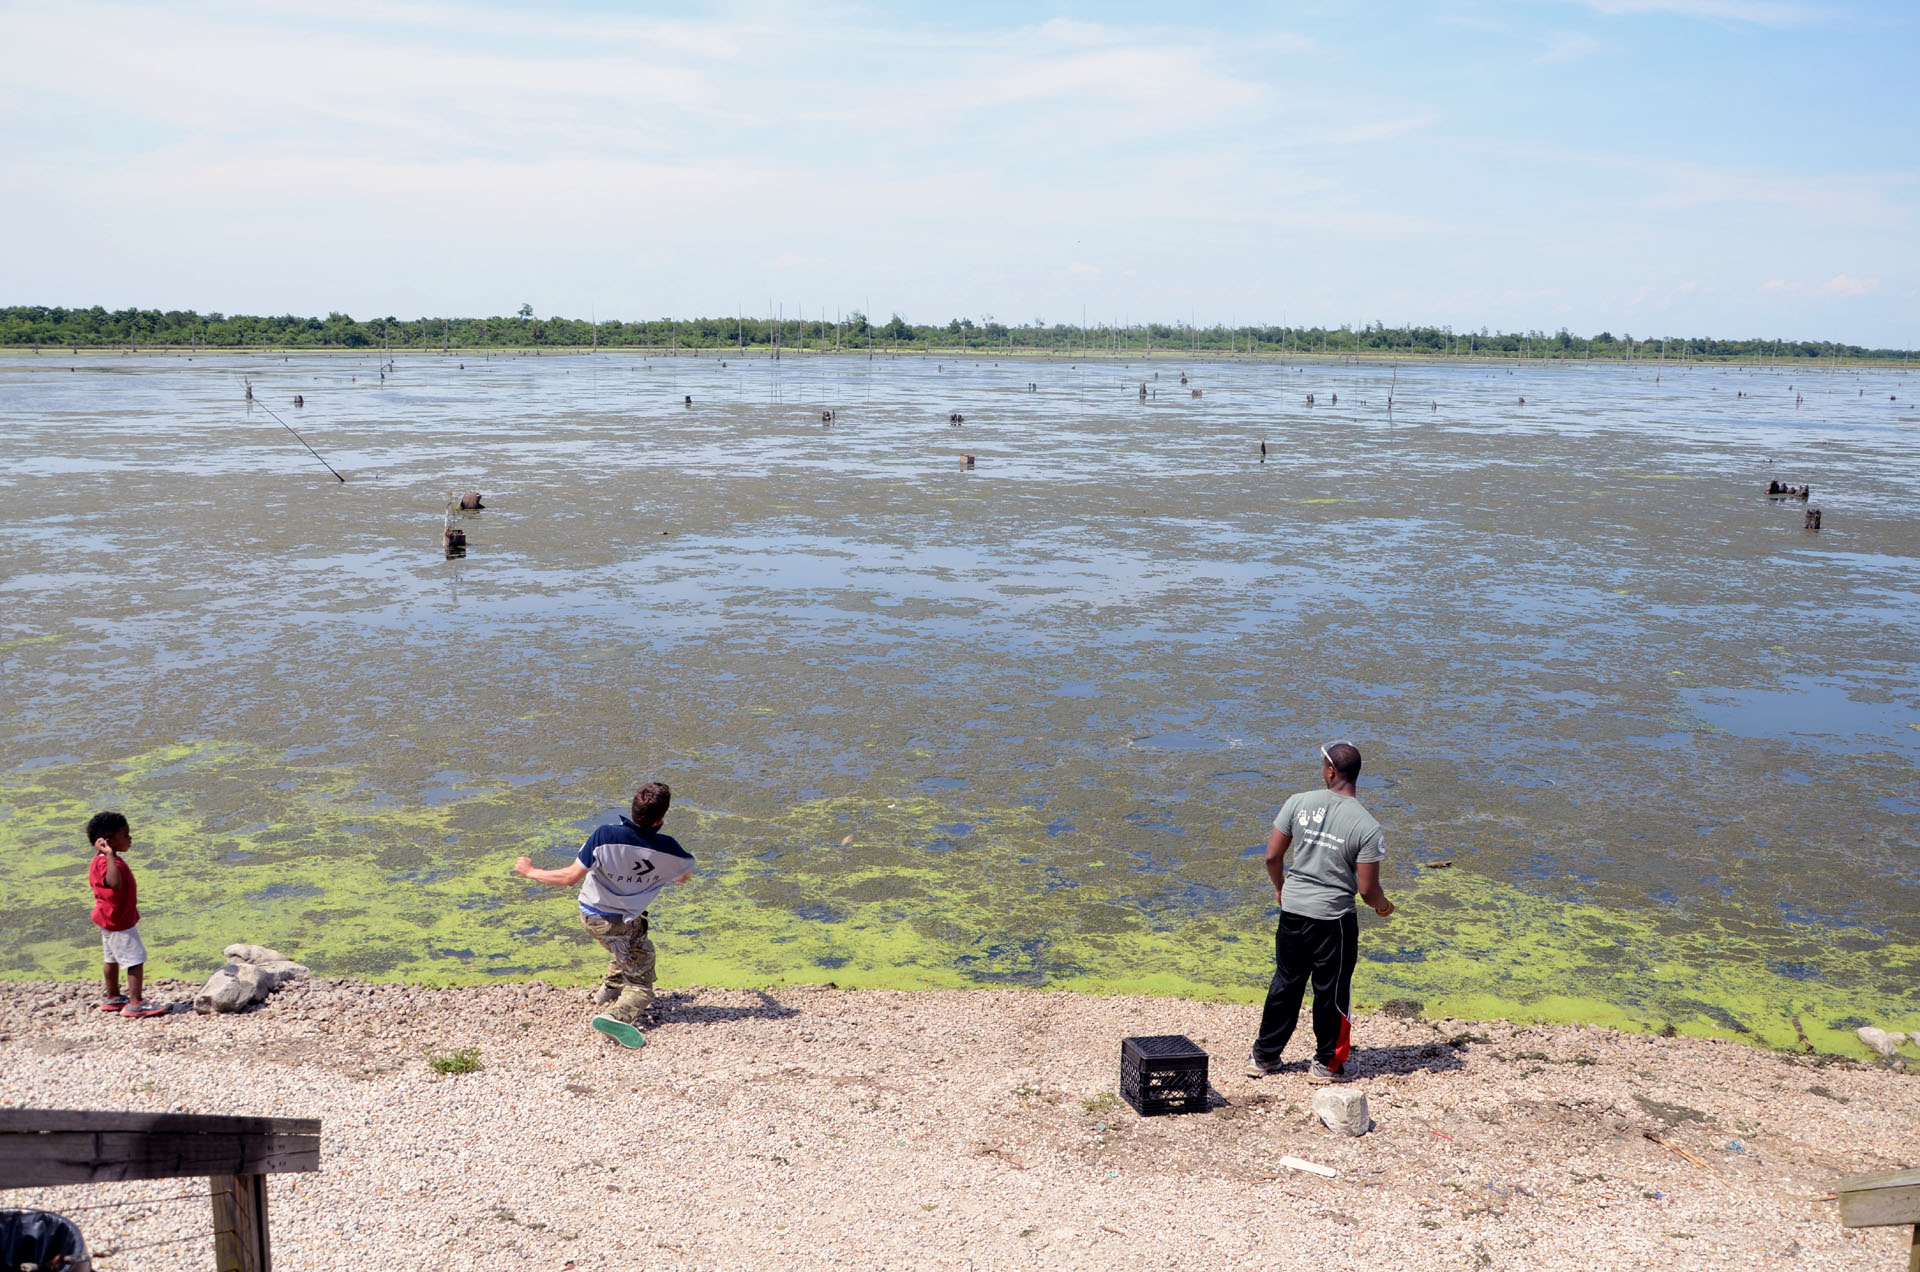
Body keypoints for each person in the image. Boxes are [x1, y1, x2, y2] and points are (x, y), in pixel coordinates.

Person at [1247, 741, 1393, 1083]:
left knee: (1286, 982)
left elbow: (1272, 856)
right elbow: (1368, 890)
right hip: (1333, 921)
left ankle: (1263, 1057)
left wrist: (1281, 887)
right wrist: (1385, 908)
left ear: (1330, 770)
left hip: (1293, 910)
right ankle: (1328, 1064)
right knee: (1332, 990)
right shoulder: (1367, 826)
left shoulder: (1298, 803)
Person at [514, 781, 695, 1049]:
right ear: (661, 818)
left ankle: (607, 993)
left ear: (632, 810)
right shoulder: (671, 851)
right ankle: (615, 1016)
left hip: (592, 917)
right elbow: (683, 876)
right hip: (622, 922)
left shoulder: (604, 836)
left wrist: (530, 871)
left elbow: (568, 878)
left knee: (625, 945)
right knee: (642, 982)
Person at [88, 811, 164, 1018]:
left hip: (108, 918)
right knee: (135, 959)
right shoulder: (106, 862)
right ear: (107, 841)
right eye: (126, 835)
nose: (130, 839)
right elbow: (114, 883)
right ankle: (136, 1003)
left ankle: (113, 997)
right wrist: (111, 855)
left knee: (111, 958)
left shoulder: (100, 860)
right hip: (119, 921)